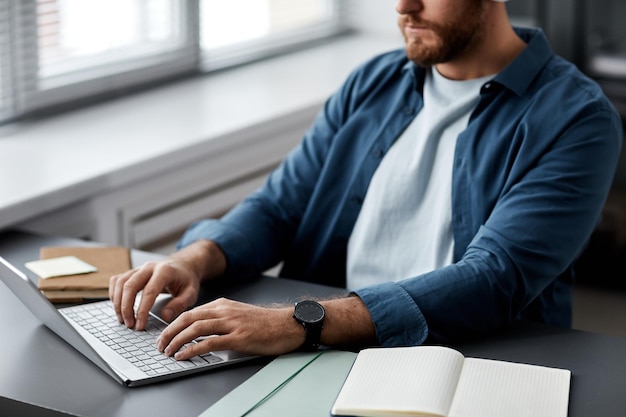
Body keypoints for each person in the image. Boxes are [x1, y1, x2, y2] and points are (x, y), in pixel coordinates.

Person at [110, 0, 623, 361]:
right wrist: (194, 259)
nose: (404, 6)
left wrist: (296, 322)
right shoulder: (372, 81)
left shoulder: (577, 118)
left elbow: (496, 278)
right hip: (324, 341)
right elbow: (279, 207)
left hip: (468, 355)